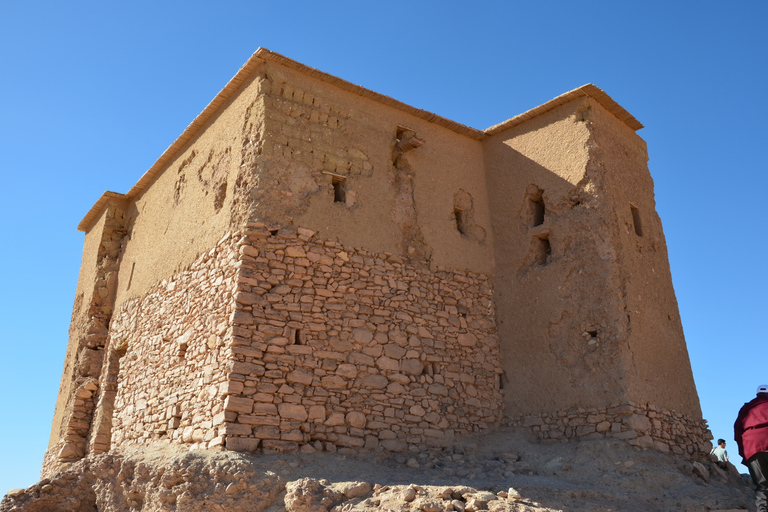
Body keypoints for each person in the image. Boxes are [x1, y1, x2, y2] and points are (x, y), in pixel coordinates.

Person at [735, 384, 768, 512]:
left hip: (753, 446)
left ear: (757, 394)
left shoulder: (747, 408)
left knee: (761, 485)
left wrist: (745, 452)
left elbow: (738, 430)